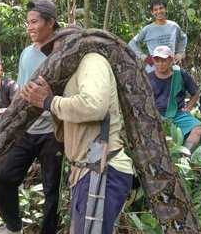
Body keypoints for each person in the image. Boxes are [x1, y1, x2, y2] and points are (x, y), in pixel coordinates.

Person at [22, 25, 134, 234]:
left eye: (58, 50)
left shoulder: (91, 61)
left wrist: (49, 101)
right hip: (86, 171)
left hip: (103, 169)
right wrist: (52, 102)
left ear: (74, 44)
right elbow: (66, 135)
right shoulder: (74, 77)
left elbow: (94, 106)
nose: (56, 58)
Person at [0, 0, 64, 234]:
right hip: (28, 129)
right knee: (5, 178)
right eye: (28, 23)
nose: (30, 27)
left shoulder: (63, 52)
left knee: (52, 190)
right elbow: (21, 90)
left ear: (50, 22)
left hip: (53, 131)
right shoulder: (25, 54)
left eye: (34, 22)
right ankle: (13, 227)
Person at [148, 45, 201, 153]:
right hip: (156, 115)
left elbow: (195, 91)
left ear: (171, 60)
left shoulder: (180, 74)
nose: (160, 63)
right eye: (157, 60)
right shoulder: (147, 78)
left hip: (178, 114)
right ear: (153, 61)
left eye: (163, 60)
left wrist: (188, 108)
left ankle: (185, 157)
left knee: (198, 128)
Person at [128, 0, 187, 72]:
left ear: (166, 9)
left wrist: (180, 54)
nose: (159, 11)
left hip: (171, 69)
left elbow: (183, 38)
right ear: (152, 12)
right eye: (155, 9)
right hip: (153, 71)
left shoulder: (174, 26)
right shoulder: (147, 29)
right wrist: (144, 57)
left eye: (161, 8)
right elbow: (131, 43)